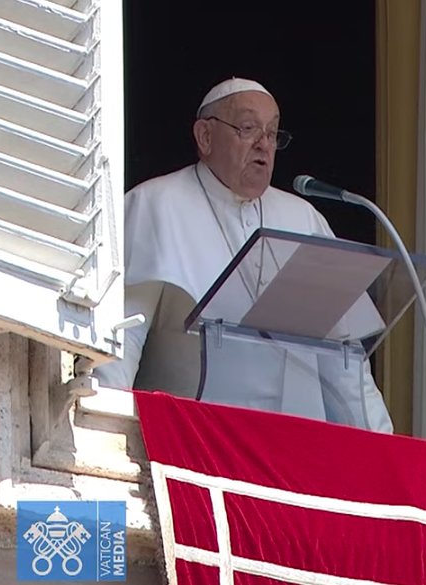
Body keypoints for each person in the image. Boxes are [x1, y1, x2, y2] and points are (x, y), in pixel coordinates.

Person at [94, 78, 393, 433]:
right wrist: (102, 427)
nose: (263, 145)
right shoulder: (156, 204)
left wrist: (383, 443)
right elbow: (122, 336)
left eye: (273, 132)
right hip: (195, 442)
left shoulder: (305, 220)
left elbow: (343, 360)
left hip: (296, 447)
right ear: (205, 137)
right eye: (249, 128)